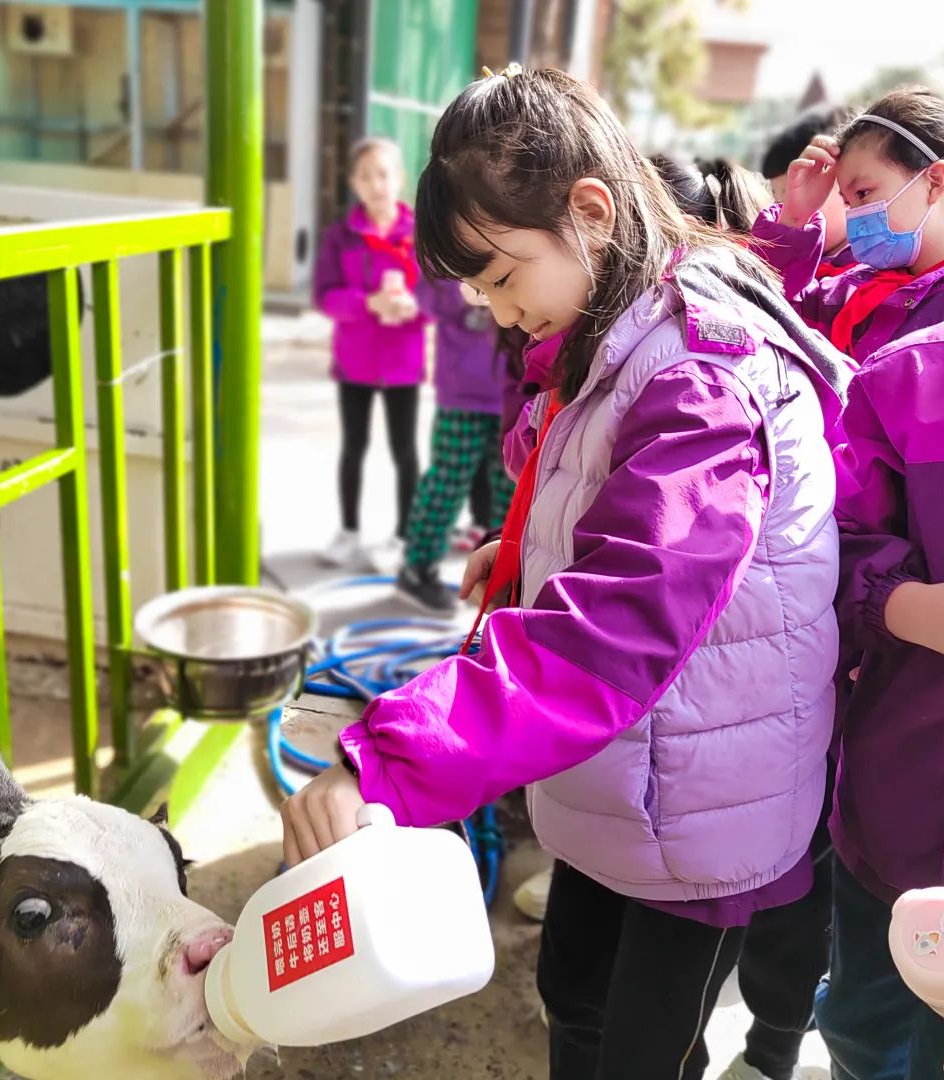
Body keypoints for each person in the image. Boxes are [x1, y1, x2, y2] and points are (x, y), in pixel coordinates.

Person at [279, 67, 853, 1080]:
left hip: (702, 794)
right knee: (572, 998)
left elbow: (615, 627)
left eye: (502, 277)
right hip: (626, 773)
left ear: (590, 210)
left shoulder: (697, 376)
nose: (499, 313)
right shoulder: (620, 329)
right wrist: (523, 549)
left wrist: (393, 757)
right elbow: (618, 516)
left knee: (641, 1045)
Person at [809, 311, 944, 1079]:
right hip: (896, 814)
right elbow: (814, 544)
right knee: (858, 1022)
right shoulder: (908, 381)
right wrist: (903, 605)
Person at [752, 87, 944, 359]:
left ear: (935, 181)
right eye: (848, 202)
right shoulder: (854, 290)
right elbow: (766, 307)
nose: (856, 216)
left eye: (863, 193)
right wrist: (794, 217)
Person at [313, 137, 427, 570]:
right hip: (355, 361)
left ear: (398, 178)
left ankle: (403, 536)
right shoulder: (340, 237)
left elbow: (440, 291)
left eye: (384, 174)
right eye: (366, 176)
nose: (376, 184)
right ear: (353, 184)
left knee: (404, 450)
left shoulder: (419, 235)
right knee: (353, 446)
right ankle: (348, 531)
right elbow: (324, 295)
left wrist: (416, 307)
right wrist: (367, 304)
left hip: (403, 362)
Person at [396, 281, 517, 612]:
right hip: (462, 394)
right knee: (447, 483)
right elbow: (426, 297)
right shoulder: (447, 253)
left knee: (511, 491)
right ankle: (417, 569)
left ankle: (504, 577)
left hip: (514, 391)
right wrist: (463, 287)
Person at [759, 106, 853, 274]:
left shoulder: (876, 269)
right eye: (778, 199)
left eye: (805, 188)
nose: (788, 206)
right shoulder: (794, 264)